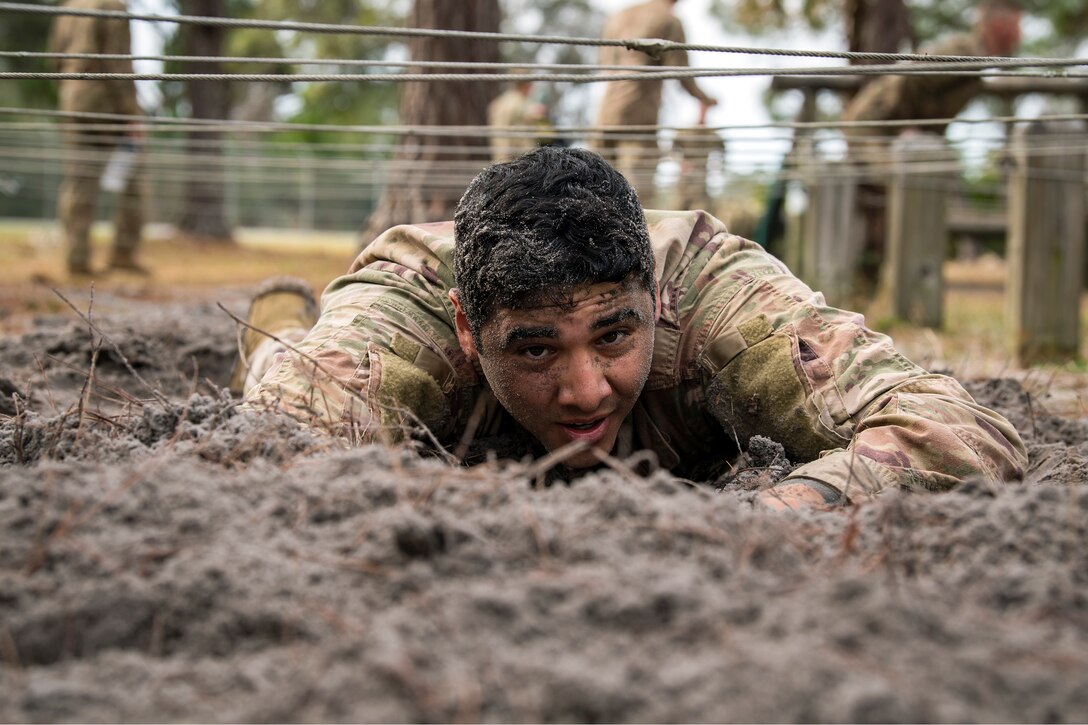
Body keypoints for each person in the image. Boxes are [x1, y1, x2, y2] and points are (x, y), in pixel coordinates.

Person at [236, 147, 1026, 511]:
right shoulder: (411, 317)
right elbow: (280, 448)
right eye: (536, 348)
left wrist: (782, 514)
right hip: (403, 307)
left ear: (654, 297)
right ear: (469, 332)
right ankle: (278, 315)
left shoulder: (715, 294)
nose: (585, 389)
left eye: (614, 336)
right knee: (279, 360)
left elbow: (956, 428)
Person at [841, 0, 1022, 280]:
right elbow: (910, 77)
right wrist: (906, 126)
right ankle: (897, 277)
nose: (1020, 37)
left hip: (894, 132)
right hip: (876, 127)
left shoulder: (979, 63)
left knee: (919, 186)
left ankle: (900, 275)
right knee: (907, 187)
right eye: (1016, 27)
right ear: (999, 28)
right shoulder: (965, 53)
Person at [49, 0, 147, 276]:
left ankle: (76, 257)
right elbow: (117, 62)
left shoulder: (68, 6)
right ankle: (123, 252)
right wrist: (131, 113)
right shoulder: (112, 6)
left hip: (72, 98)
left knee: (79, 179)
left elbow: (55, 58)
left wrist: (69, 90)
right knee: (134, 175)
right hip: (105, 103)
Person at [593, 0, 717, 204]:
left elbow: (604, 63)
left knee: (596, 186)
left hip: (605, 113)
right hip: (640, 117)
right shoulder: (669, 20)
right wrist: (704, 98)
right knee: (636, 196)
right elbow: (681, 72)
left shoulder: (617, 16)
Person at [487, 75, 547, 163]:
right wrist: (502, 159)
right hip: (514, 156)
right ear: (526, 86)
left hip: (524, 155)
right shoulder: (508, 103)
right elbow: (499, 132)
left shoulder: (523, 101)